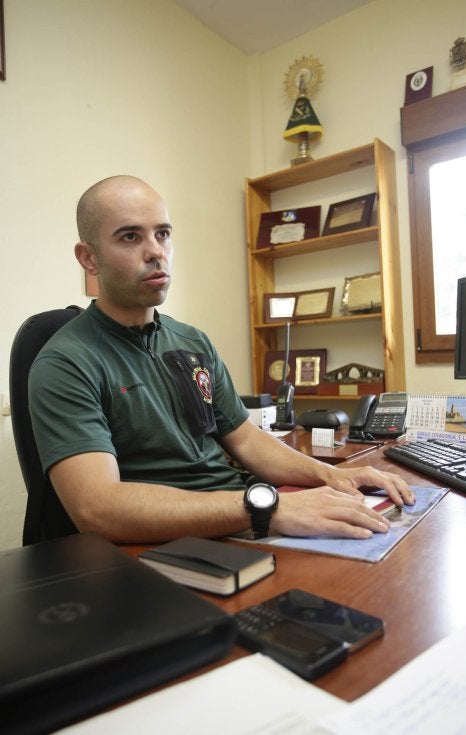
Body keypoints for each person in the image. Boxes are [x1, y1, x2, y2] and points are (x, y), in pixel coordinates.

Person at [28, 175, 414, 544]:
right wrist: (267, 508)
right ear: (89, 258)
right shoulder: (65, 362)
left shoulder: (192, 341)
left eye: (162, 233)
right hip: (172, 543)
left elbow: (246, 439)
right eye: (130, 236)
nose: (155, 251)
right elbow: (98, 509)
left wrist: (331, 476)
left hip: (244, 518)